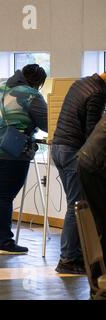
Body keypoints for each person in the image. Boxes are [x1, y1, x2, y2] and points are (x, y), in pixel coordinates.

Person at [0, 64, 48, 254]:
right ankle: (5, 243)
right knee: (3, 196)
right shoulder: (31, 95)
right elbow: (48, 122)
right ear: (38, 82)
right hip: (6, 150)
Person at [52, 72, 106, 274]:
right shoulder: (98, 92)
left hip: (58, 147)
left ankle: (75, 254)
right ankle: (67, 259)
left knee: (74, 206)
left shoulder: (81, 83)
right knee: (77, 206)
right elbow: (92, 131)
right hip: (72, 150)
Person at [78, 115, 106, 265]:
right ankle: (99, 276)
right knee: (101, 222)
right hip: (96, 164)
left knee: (99, 222)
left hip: (90, 160)